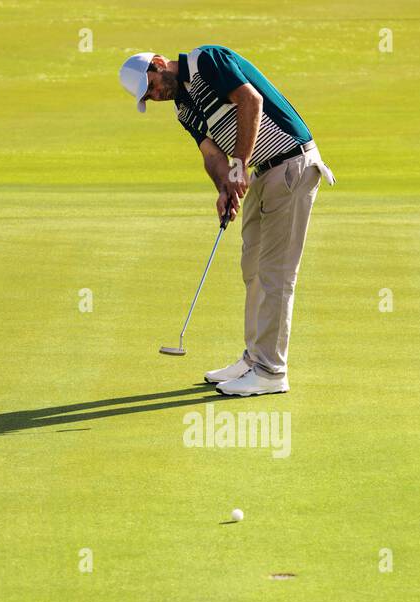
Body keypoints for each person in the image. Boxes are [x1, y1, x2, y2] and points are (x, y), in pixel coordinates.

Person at [119, 46, 334, 396]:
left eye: (153, 86)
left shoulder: (207, 60)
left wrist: (238, 168)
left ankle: (271, 371)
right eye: (149, 97)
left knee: (275, 273)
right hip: (264, 172)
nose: (156, 95)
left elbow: (251, 102)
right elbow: (211, 153)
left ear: (158, 65)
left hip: (292, 164)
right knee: (252, 268)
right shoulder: (183, 110)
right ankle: (254, 359)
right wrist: (224, 188)